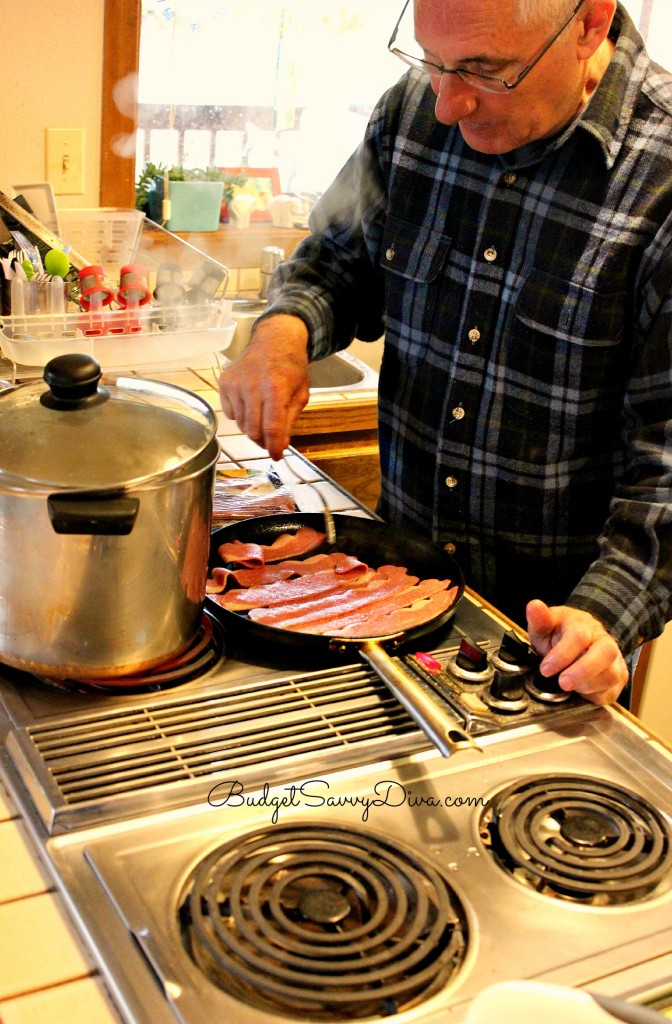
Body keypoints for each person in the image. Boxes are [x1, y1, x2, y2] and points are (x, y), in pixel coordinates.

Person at [219, 0, 672, 707]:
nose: (449, 104)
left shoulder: (663, 179)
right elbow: (336, 261)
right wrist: (285, 330)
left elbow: (667, 471)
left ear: (589, 23)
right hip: (384, 600)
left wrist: (604, 617)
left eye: (487, 72)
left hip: (548, 647)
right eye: (431, 61)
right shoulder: (412, 111)